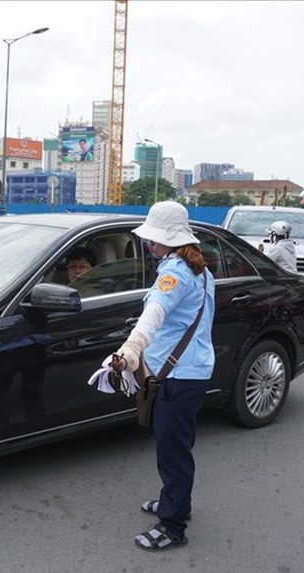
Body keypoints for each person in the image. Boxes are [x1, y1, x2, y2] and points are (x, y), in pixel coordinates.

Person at [109, 200, 216, 552]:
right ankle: (177, 503)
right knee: (176, 445)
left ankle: (172, 525)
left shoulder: (174, 274)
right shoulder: (200, 271)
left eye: (153, 240)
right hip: (189, 372)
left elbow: (153, 313)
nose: (149, 245)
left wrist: (131, 348)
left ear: (166, 240)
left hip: (178, 376)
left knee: (173, 452)